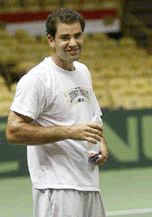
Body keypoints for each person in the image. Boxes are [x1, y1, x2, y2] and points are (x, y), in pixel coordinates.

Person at [5, 8, 108, 217]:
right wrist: (69, 132)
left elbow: (91, 118)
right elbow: (13, 132)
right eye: (65, 37)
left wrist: (100, 143)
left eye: (77, 35)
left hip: (88, 183)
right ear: (51, 40)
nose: (73, 43)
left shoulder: (83, 72)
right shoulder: (38, 79)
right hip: (57, 187)